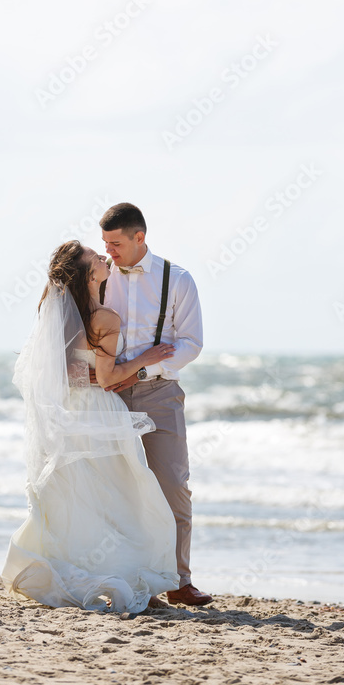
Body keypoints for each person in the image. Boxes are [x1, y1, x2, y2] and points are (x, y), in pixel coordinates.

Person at [1, 240, 179, 614]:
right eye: (95, 258)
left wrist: (92, 377)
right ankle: (121, 573)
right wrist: (146, 358)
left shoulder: (67, 317)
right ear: (88, 274)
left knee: (80, 495)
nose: (103, 258)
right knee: (122, 495)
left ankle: (78, 566)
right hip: (99, 413)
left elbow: (62, 371)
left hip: (69, 414)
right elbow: (108, 375)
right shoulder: (106, 319)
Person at [98, 202, 213, 606]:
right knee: (119, 489)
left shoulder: (178, 279)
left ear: (139, 237)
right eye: (105, 244)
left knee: (173, 486)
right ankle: (130, 581)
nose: (109, 251)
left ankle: (179, 580)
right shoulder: (99, 277)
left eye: (115, 244)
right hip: (107, 397)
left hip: (160, 395)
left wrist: (141, 372)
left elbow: (191, 343)